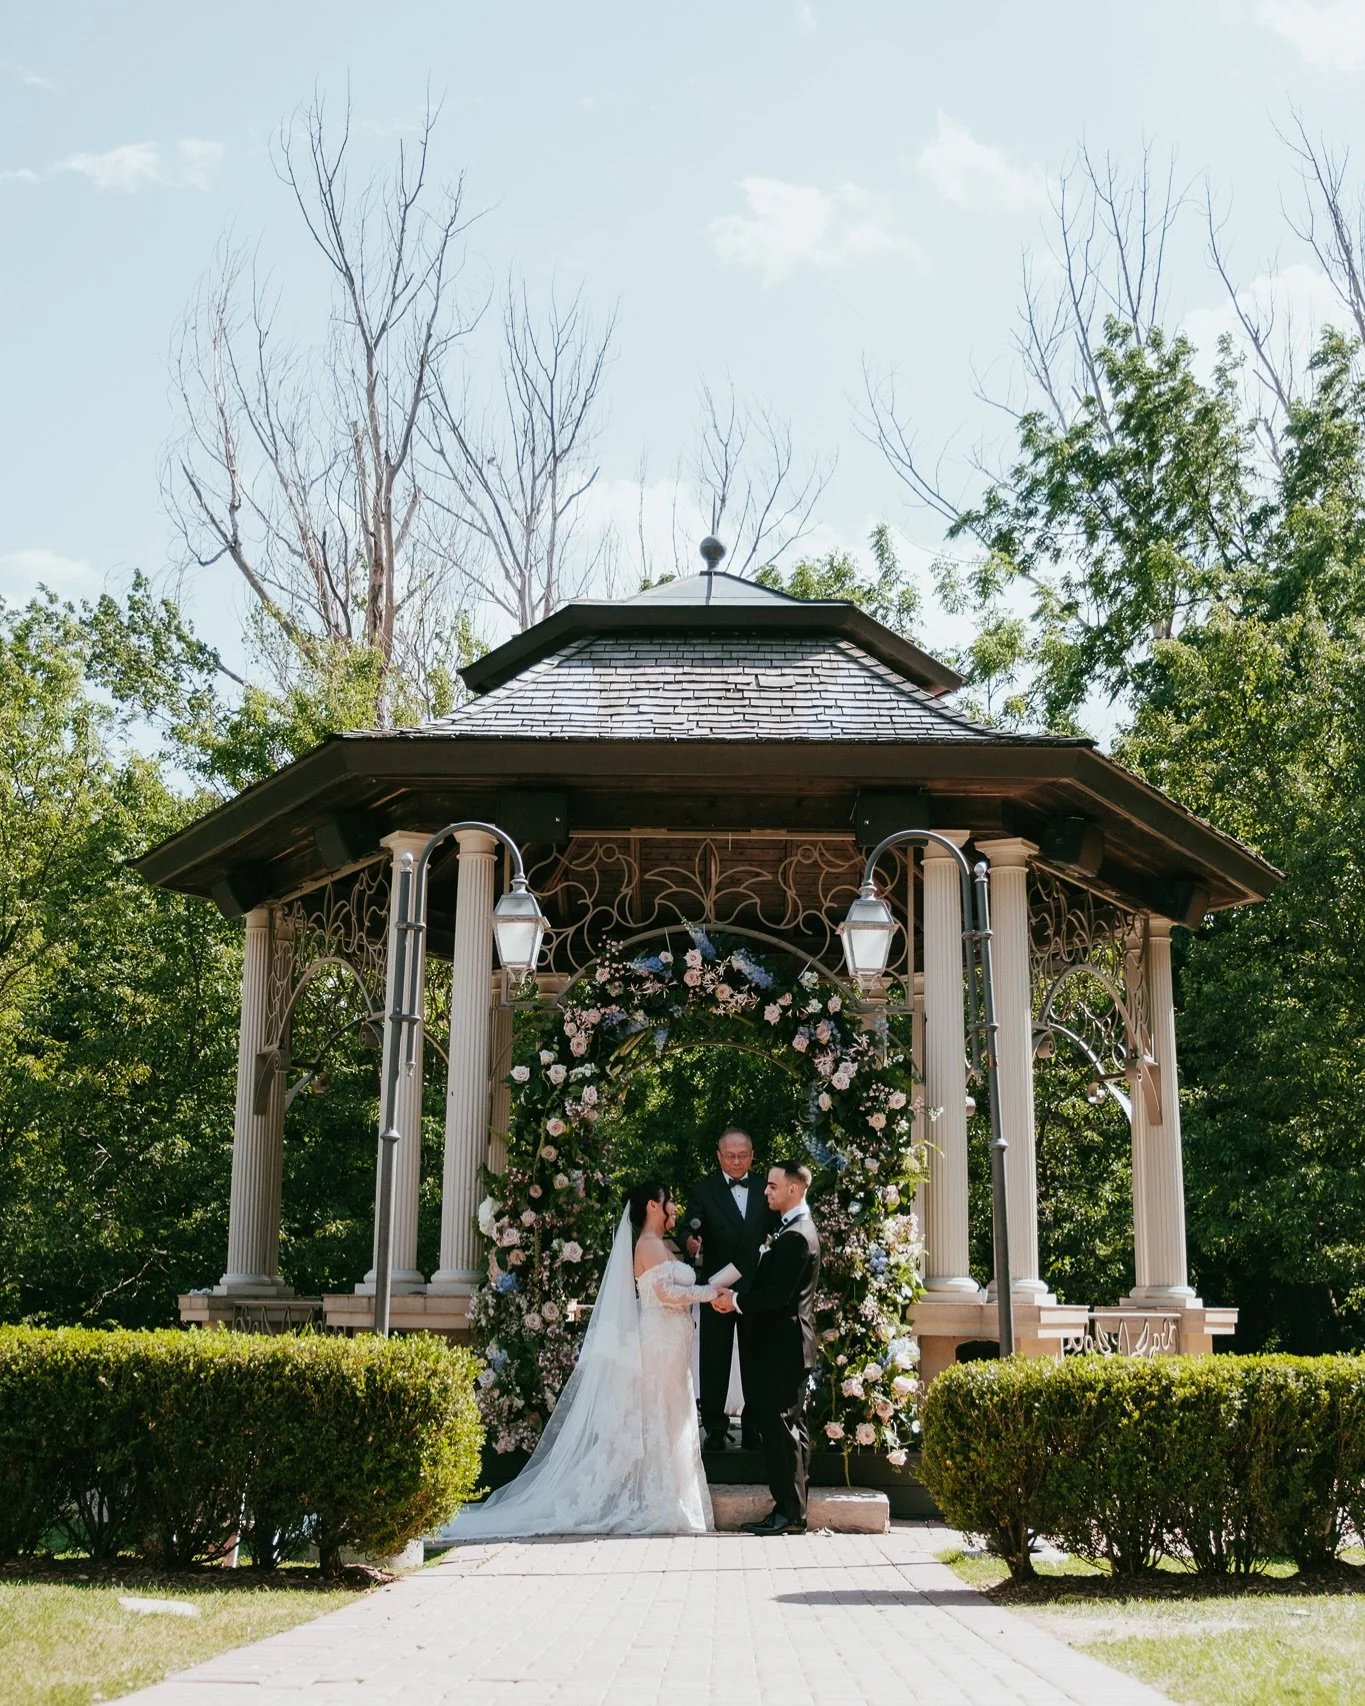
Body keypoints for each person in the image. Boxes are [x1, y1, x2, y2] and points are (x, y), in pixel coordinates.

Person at [440, 1181, 725, 1539]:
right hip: (659, 1342)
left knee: (669, 1415)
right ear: (653, 1206)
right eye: (670, 1201)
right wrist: (709, 1292)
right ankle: (657, 1498)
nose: (675, 1208)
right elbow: (665, 1293)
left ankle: (668, 1494)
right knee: (657, 1414)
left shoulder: (663, 1244)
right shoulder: (649, 1245)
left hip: (672, 1342)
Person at [711, 1160, 820, 1536]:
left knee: (781, 1429)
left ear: (794, 1189)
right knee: (792, 1427)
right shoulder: (791, 1229)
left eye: (773, 1186)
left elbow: (776, 1296)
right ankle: (794, 1509)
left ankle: (789, 1513)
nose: (766, 1191)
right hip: (788, 1345)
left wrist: (735, 1301)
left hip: (783, 1347)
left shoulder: (796, 1236)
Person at [684, 1126, 777, 1451]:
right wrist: (691, 1242)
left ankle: (754, 1426)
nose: (736, 1161)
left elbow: (779, 1230)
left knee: (756, 1357)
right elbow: (689, 1227)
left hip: (754, 1289)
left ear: (752, 1156)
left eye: (742, 1155)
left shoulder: (767, 1188)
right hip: (717, 1288)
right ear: (718, 1156)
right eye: (730, 1156)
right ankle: (714, 1426)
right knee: (714, 1358)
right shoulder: (704, 1189)